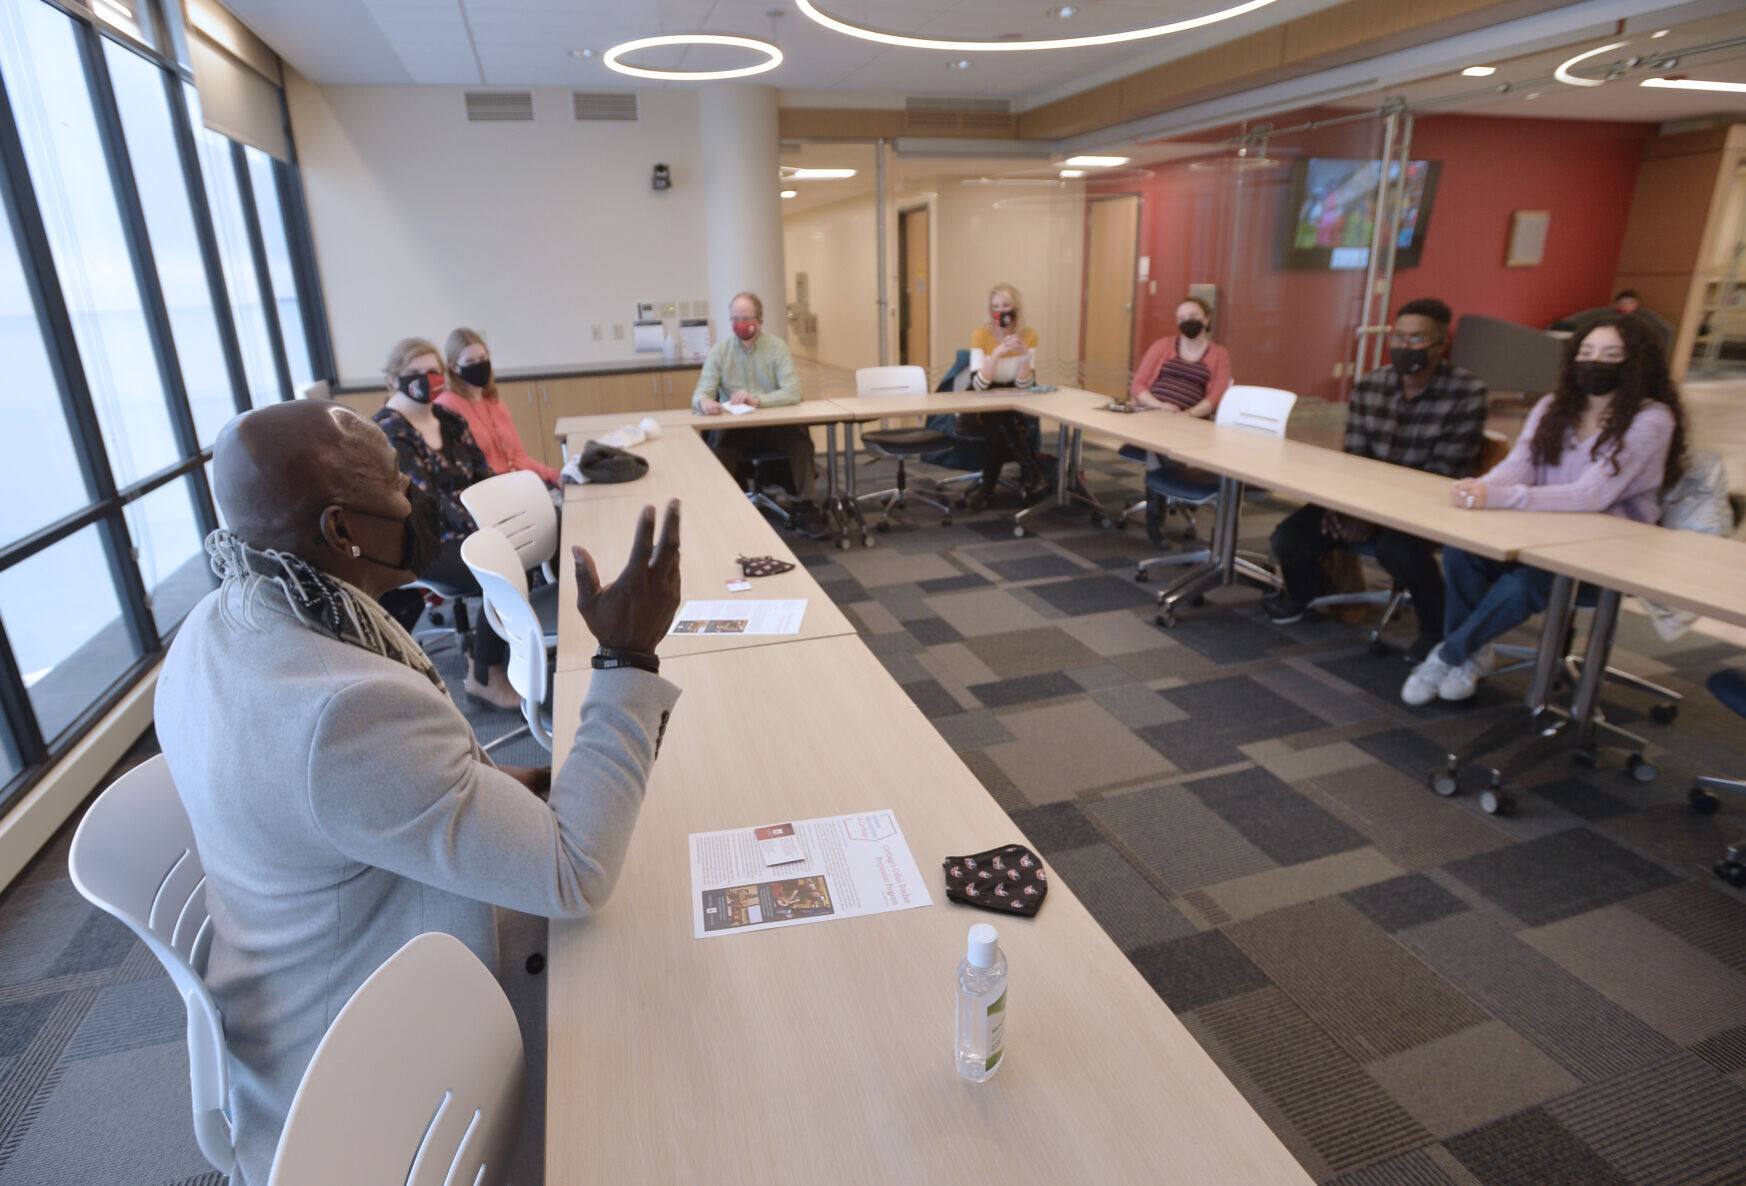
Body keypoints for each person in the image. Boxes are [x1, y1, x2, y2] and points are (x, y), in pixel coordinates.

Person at [154, 398, 682, 1185]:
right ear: (342, 531)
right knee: (661, 1032)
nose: (417, 500)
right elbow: (575, 875)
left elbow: (376, 795)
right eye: (399, 486)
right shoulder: (340, 711)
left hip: (285, 988)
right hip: (361, 1089)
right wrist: (628, 658)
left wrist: (516, 786)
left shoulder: (217, 623)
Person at [1402, 315, 1686, 705]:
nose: (1594, 362)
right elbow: (1522, 462)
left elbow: (1592, 496)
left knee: (1523, 584)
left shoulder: (1651, 418)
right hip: (1543, 527)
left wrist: (1500, 499)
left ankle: (1450, 653)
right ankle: (1474, 652)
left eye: (1610, 355)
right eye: (1586, 353)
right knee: (1461, 552)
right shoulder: (1556, 405)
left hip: (1610, 546)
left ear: (1636, 362)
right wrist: (1482, 487)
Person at [1263, 298, 1487, 662]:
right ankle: (1305, 594)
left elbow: (1440, 474)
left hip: (1425, 507)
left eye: (1416, 339)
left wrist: (1368, 516)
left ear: (1440, 343)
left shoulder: (1466, 393)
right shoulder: (1371, 386)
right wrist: (1347, 507)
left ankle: (1435, 629)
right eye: (1398, 337)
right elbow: (1354, 461)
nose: (1404, 346)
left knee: (1398, 551)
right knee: (1288, 537)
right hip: (1363, 499)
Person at [373, 337, 515, 708]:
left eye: (432, 371)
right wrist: (490, 523)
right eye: (414, 374)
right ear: (392, 380)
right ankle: (484, 674)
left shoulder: (450, 420)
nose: (426, 379)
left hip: (473, 530)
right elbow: (428, 502)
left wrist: (498, 515)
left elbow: (483, 475)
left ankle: (498, 653)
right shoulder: (388, 431)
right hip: (425, 541)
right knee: (502, 570)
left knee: (526, 552)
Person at [692, 291, 820, 533]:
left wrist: (757, 400)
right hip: (737, 430)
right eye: (735, 319)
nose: (741, 324)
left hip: (775, 427)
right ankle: (722, 508)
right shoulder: (720, 352)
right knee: (720, 451)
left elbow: (793, 392)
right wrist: (704, 401)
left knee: (801, 444)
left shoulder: (777, 348)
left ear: (760, 321)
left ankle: (806, 506)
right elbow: (700, 393)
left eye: (746, 318)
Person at [436, 327, 562, 488]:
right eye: (470, 362)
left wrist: (552, 474)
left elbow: (520, 456)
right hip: (490, 491)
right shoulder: (446, 406)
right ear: (454, 368)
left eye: (483, 358)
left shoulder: (493, 400)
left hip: (518, 481)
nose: (478, 366)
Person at [961, 283, 1047, 512]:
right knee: (999, 418)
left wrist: (1023, 355)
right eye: (996, 306)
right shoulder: (980, 335)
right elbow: (978, 384)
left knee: (998, 427)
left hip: (1013, 400)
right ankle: (1031, 471)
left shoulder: (1029, 335)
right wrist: (997, 354)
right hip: (981, 401)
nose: (1001, 311)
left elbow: (1024, 384)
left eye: (1006, 305)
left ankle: (986, 491)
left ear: (1016, 308)